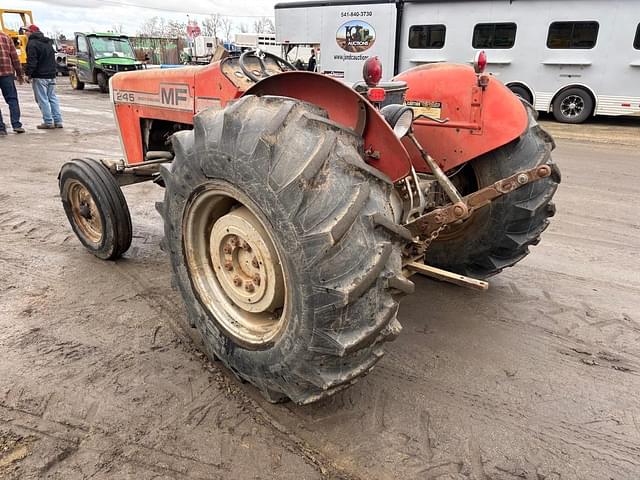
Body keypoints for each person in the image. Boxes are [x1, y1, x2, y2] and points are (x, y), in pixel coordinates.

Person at [25, 25, 63, 129]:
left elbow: (32, 61)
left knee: (42, 99)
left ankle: (48, 122)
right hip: (51, 74)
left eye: (26, 31)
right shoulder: (48, 42)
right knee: (52, 98)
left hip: (40, 76)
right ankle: (58, 121)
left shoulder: (32, 44)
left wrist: (28, 74)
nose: (25, 33)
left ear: (31, 32)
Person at [0, 30, 25, 135]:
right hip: (7, 74)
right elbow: (15, 58)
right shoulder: (6, 37)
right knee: (12, 99)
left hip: (6, 74)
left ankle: (1, 129)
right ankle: (16, 125)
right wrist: (19, 74)